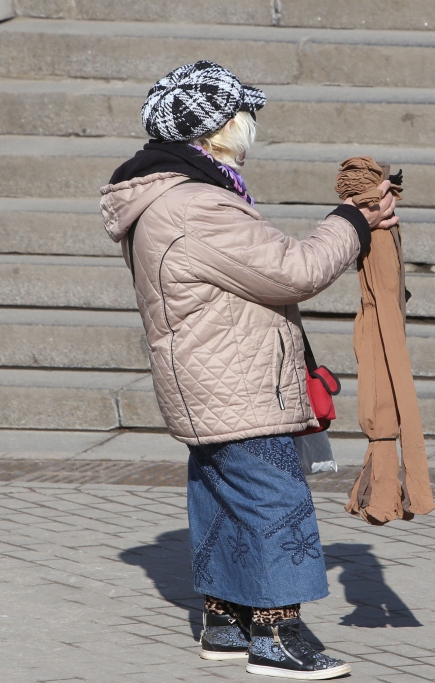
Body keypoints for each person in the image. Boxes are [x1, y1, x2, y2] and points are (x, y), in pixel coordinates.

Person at [100, 61, 398, 679]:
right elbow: (294, 269)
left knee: (220, 497)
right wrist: (352, 221)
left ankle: (226, 620)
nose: (251, 123)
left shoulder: (182, 190)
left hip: (213, 374)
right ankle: (276, 636)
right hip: (232, 379)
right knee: (273, 501)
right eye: (244, 113)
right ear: (216, 129)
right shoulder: (192, 203)